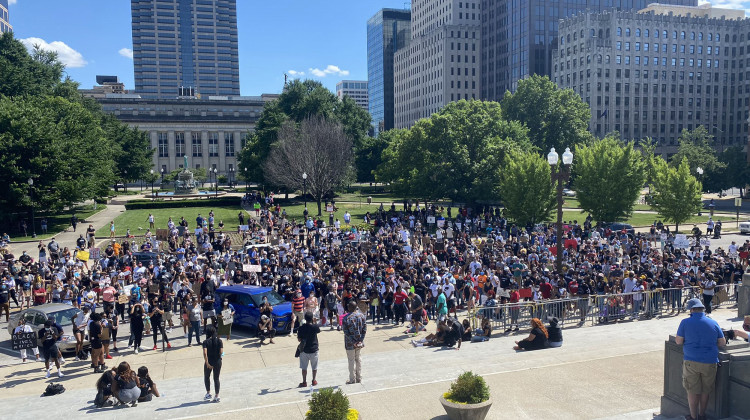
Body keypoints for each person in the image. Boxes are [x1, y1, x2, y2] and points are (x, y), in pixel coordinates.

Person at [675, 298, 726, 420]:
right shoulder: (713, 322)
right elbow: (722, 342)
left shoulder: (685, 322)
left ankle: (693, 417)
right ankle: (702, 415)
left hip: (691, 361)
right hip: (710, 361)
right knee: (705, 391)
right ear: (702, 309)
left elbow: (678, 341)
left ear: (691, 310)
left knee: (692, 390)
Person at [342, 301, 366, 385]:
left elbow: (346, 332)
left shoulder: (346, 318)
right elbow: (364, 329)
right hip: (359, 342)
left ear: (349, 308)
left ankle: (352, 379)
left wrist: (353, 342)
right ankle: (359, 377)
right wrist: (360, 340)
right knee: (358, 359)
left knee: (351, 360)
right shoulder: (361, 316)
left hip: (350, 343)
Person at [297, 311, 320, 387]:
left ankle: (304, 382)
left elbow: (299, 339)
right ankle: (314, 380)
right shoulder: (315, 327)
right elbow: (318, 330)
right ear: (312, 318)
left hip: (304, 350)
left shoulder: (301, 328)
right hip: (314, 349)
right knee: (314, 367)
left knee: (304, 368)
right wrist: (315, 322)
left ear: (305, 318)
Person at [202, 324, 223, 403]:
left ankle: (208, 393)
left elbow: (205, 353)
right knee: (216, 378)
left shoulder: (205, 342)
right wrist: (220, 357)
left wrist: (207, 363)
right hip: (217, 361)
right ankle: (217, 395)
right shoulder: (219, 341)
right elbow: (222, 352)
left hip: (209, 361)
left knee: (207, 377)